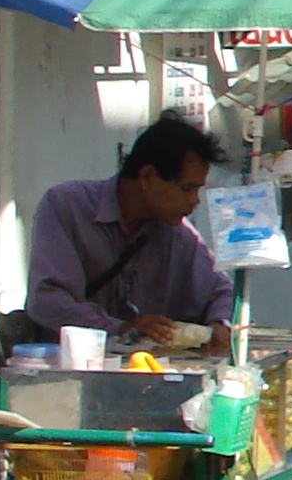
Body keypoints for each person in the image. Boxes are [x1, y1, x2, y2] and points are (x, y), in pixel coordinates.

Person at [24, 116, 234, 348]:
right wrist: (120, 329)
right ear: (147, 177)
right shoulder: (67, 206)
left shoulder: (177, 234)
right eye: (187, 189)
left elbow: (220, 288)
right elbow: (48, 302)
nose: (194, 202)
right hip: (68, 365)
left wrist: (218, 323)